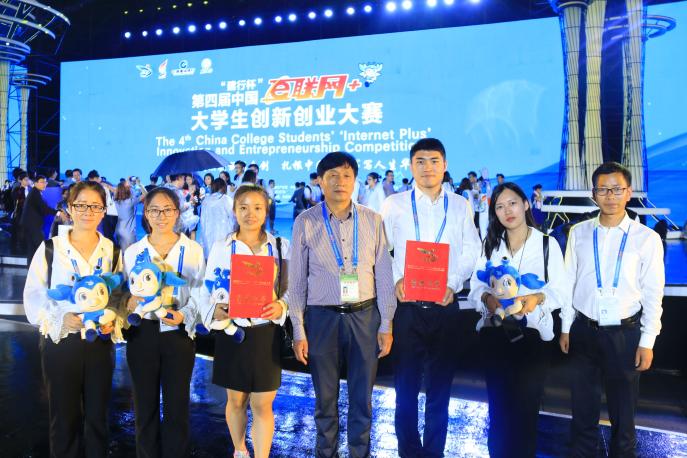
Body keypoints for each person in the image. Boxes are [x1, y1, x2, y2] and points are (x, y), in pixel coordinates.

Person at [290, 152, 395, 458]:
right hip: (321, 319)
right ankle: (326, 454)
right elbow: (296, 282)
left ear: (355, 181)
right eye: (332, 176)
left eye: (347, 175)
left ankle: (359, 453)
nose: (340, 182)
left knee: (362, 399)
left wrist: (386, 323)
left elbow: (384, 276)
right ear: (320, 182)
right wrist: (298, 329)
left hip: (365, 316)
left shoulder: (373, 220)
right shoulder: (305, 222)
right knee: (325, 399)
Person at [381, 138, 480, 458]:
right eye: (420, 161)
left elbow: (472, 249)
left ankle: (434, 452)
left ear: (445, 165)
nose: (427, 168)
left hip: (445, 305)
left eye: (434, 161)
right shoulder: (394, 204)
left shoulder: (460, 205)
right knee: (405, 389)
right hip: (407, 308)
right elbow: (381, 250)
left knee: (440, 389)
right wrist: (396, 278)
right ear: (411, 166)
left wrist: (453, 282)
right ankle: (408, 451)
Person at [559, 162, 664, 457]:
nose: (610, 196)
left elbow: (653, 294)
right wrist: (566, 327)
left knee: (623, 416)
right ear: (594, 194)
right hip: (583, 330)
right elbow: (568, 282)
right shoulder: (579, 233)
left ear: (629, 192)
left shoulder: (647, 238)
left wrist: (647, 341)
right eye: (603, 189)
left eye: (617, 189)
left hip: (625, 334)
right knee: (582, 411)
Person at [23, 181, 122, 458]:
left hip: (100, 343)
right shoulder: (50, 248)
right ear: (69, 208)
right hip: (61, 344)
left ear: (103, 211)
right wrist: (60, 317)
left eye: (95, 206)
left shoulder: (112, 251)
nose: (88, 212)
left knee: (98, 419)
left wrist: (114, 317)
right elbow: (33, 295)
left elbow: (117, 295)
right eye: (81, 205)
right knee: (64, 419)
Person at [468, 182, 566, 458]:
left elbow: (560, 291)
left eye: (512, 203)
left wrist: (537, 298)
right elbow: (476, 286)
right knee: (498, 410)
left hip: (532, 338)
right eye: (500, 207)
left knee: (526, 411)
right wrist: (487, 299)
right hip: (495, 335)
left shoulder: (546, 244)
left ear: (525, 204)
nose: (507, 211)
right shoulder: (490, 244)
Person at [200, 185, 289, 458]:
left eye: (257, 207)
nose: (251, 214)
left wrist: (281, 306)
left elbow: (291, 289)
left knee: (263, 404)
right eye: (244, 207)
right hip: (233, 332)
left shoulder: (280, 246)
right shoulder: (222, 247)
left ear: (266, 210)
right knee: (236, 400)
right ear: (234, 210)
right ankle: (239, 450)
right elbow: (207, 287)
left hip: (266, 334)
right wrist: (214, 309)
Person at [122, 187, 206, 458]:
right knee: (144, 406)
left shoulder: (192, 250)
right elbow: (124, 292)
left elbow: (200, 292)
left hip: (178, 332)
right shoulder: (133, 252)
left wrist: (186, 315)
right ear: (146, 214)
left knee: (177, 407)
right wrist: (129, 301)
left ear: (177, 213)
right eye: (154, 210)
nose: (161, 216)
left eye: (167, 210)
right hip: (142, 333)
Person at [20, 175, 63, 262]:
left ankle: (32, 268)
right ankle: (42, 267)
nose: (44, 184)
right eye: (42, 182)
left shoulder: (36, 192)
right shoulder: (35, 193)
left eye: (45, 182)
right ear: (35, 183)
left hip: (31, 224)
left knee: (32, 249)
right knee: (40, 246)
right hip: (32, 225)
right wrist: (58, 213)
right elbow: (44, 208)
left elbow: (42, 208)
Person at [197, 178, 235, 258]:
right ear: (224, 187)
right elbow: (233, 217)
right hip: (224, 233)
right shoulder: (226, 199)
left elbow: (202, 221)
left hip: (208, 234)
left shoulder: (206, 200)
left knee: (211, 258)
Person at [114, 178, 146, 252]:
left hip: (118, 231)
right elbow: (145, 194)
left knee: (122, 254)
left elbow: (119, 191)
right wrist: (140, 184)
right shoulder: (130, 201)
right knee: (131, 254)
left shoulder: (115, 201)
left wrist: (127, 183)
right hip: (129, 233)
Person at [87, 170, 118, 242]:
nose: (91, 183)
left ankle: (113, 248)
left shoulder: (102, 185)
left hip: (109, 212)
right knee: (109, 234)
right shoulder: (106, 183)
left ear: (94, 178)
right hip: (113, 212)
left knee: (108, 234)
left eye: (91, 180)